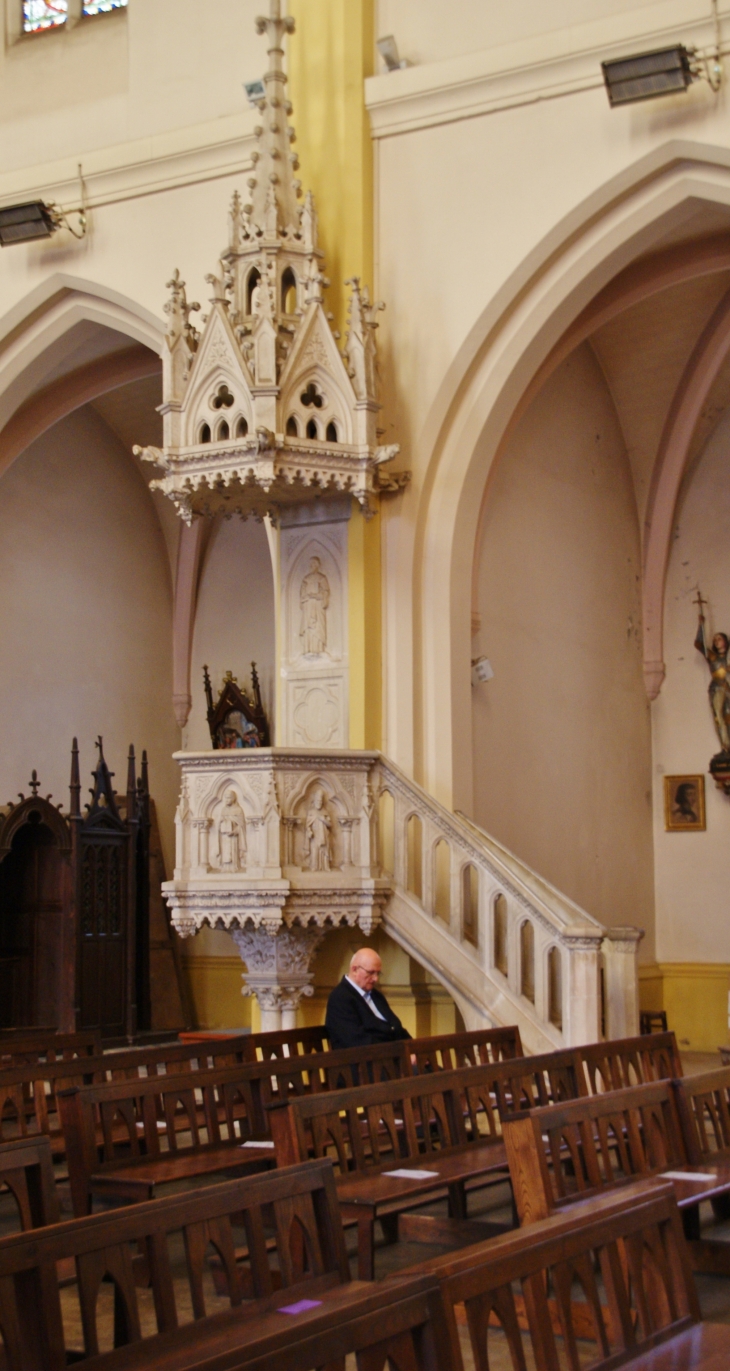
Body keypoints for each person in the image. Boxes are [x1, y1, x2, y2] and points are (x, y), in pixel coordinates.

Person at [325, 948, 411, 1049]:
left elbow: (396, 1027)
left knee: (426, 1061)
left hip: (390, 1056)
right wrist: (401, 1054)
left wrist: (415, 1050)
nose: (376, 978)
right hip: (365, 1061)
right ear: (355, 969)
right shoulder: (340, 998)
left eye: (378, 973)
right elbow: (357, 1041)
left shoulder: (376, 995)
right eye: (371, 972)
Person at [695, 605, 730, 752]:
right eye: (714, 639)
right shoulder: (713, 657)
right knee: (718, 716)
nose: (716, 641)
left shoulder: (727, 658)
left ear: (725, 642)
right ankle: (725, 745)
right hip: (716, 688)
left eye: (719, 639)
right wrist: (701, 624)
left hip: (726, 687)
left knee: (726, 715)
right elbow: (699, 644)